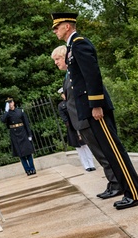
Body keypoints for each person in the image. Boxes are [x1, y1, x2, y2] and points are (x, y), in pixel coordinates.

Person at [52, 12, 138, 209]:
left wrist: (95, 105)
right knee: (110, 153)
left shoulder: (79, 44)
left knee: (115, 151)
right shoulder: (72, 46)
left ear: (67, 26)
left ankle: (135, 194)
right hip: (89, 109)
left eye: (56, 27)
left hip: (95, 108)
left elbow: (92, 76)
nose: (54, 31)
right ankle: (127, 191)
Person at [52, 45, 121, 199]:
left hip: (86, 121)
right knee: (99, 154)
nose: (56, 63)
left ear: (65, 57)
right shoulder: (68, 76)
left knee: (103, 153)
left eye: (57, 59)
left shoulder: (74, 74)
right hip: (81, 122)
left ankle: (117, 183)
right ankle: (113, 182)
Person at [1, 97, 36, 175]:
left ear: (13, 103)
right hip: (14, 134)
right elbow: (3, 120)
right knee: (21, 155)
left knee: (28, 152)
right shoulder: (7, 113)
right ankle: (27, 170)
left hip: (23, 132)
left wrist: (29, 134)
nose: (10, 104)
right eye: (8, 103)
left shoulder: (20, 111)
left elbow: (26, 123)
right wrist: (6, 111)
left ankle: (32, 169)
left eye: (11, 102)